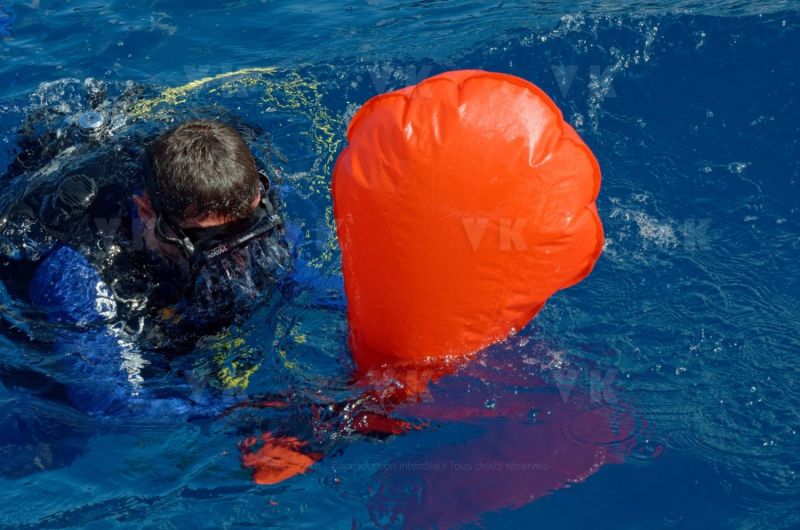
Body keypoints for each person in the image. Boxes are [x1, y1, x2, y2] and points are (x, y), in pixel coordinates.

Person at [26, 120, 292, 416]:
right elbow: (110, 401)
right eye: (209, 239)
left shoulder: (248, 194)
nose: (235, 253)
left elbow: (311, 282)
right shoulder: (78, 270)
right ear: (146, 212)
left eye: (247, 227)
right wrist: (246, 413)